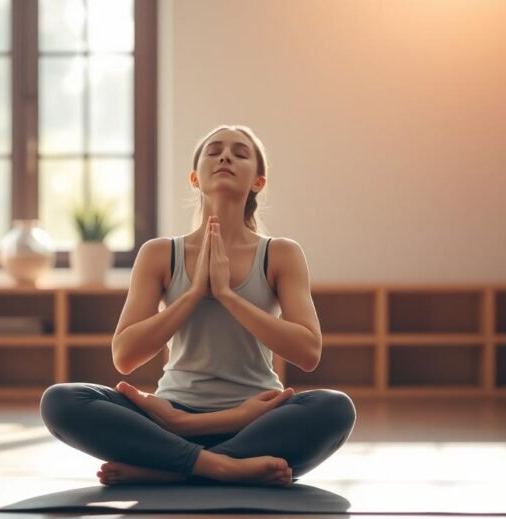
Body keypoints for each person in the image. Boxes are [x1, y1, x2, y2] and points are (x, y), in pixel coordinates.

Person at [40, 124, 356, 487]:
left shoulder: (280, 253)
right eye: (214, 150)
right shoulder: (160, 253)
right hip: (167, 418)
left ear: (258, 181)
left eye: (240, 153)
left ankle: (169, 468)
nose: (225, 156)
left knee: (334, 408)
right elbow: (125, 355)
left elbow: (308, 351)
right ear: (195, 178)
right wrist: (192, 294)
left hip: (253, 420)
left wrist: (227, 296)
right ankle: (222, 467)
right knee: (61, 401)